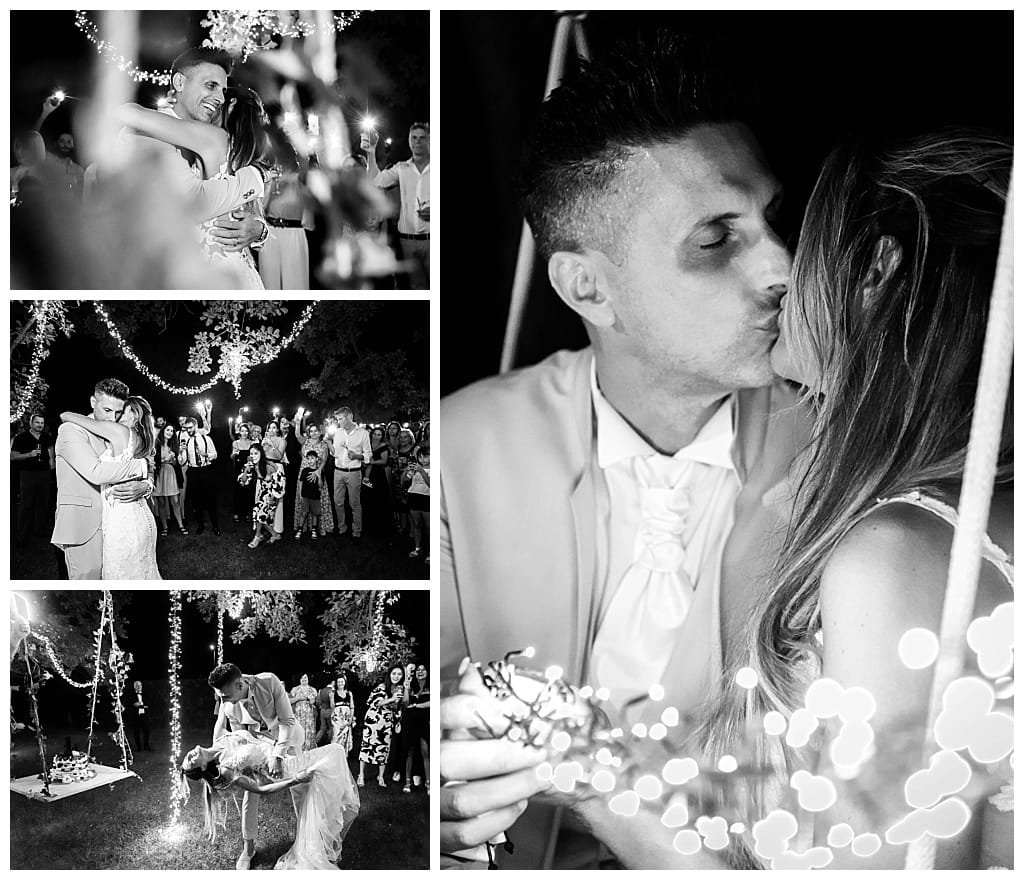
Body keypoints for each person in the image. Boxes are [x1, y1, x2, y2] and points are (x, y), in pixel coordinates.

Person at [439, 34, 803, 867]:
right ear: (588, 288)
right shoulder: (462, 452)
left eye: (774, 220)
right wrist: (441, 798)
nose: (783, 266)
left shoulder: (836, 460)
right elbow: (432, 716)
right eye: (715, 240)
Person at [113, 48, 273, 288]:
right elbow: (194, 202)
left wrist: (259, 230)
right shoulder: (141, 136)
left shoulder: (218, 138)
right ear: (179, 82)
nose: (220, 98)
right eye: (211, 86)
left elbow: (242, 212)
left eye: (222, 90)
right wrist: (258, 175)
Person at [181, 728, 359, 869]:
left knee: (327, 772)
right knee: (335, 751)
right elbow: (260, 789)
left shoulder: (219, 739)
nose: (188, 757)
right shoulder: (226, 769)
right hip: (285, 768)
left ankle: (322, 838)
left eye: (186, 758)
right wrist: (296, 780)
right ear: (202, 767)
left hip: (281, 756)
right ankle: (320, 842)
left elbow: (226, 709)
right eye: (190, 763)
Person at [51, 379, 153, 580]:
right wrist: (141, 467)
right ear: (92, 402)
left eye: (118, 412)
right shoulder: (71, 430)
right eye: (107, 410)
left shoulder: (116, 431)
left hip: (116, 522)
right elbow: (95, 472)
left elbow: (133, 464)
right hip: (85, 525)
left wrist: (146, 485)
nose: (112, 418)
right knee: (87, 583)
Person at [206, 663, 306, 869]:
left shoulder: (268, 681)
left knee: (301, 787)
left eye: (225, 696)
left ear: (239, 684)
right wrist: (244, 760)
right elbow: (241, 735)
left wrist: (278, 755)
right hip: (260, 744)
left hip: (288, 741)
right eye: (220, 697)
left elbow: (287, 721)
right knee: (250, 794)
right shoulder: (229, 706)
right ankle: (248, 848)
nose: (222, 702)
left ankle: (306, 840)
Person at [364, 123, 430, 286]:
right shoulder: (401, 168)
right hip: (407, 241)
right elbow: (376, 180)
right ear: (409, 141)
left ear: (429, 140)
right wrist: (371, 151)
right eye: (414, 138)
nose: (418, 141)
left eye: (422, 138)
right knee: (417, 287)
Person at [356, 664, 404, 788]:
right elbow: (376, 702)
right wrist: (391, 699)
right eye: (394, 673)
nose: (396, 676)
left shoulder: (400, 689)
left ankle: (381, 776)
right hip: (373, 720)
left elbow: (398, 706)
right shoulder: (382, 687)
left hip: (387, 722)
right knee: (367, 747)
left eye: (399, 674)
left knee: (384, 748)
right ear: (389, 675)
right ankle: (361, 775)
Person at [11, 412, 55, 546]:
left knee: (43, 504)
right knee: (26, 504)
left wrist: (52, 465)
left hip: (44, 474)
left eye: (42, 423)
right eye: (37, 422)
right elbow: (13, 456)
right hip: (28, 474)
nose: (40, 425)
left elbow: (50, 451)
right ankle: (22, 535)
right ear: (31, 423)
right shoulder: (21, 438)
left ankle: (39, 532)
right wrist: (29, 454)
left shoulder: (46, 437)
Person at [331, 407, 372, 539]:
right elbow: (335, 453)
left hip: (354, 472)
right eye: (337, 419)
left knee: (354, 503)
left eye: (340, 419)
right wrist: (328, 443)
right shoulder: (338, 433)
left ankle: (356, 531)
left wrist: (356, 456)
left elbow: (368, 455)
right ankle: (341, 527)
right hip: (338, 471)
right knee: (338, 502)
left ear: (349, 417)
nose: (338, 422)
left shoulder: (363, 433)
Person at [293, 418, 335, 538]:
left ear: (320, 432)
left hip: (317, 474)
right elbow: (297, 435)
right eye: (311, 431)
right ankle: (302, 527)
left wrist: (318, 472)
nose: (314, 433)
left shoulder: (324, 444)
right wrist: (298, 423)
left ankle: (317, 527)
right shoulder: (305, 442)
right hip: (304, 472)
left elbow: (324, 460)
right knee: (304, 498)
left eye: (316, 430)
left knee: (317, 499)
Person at [178, 417, 220, 535]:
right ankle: (200, 524)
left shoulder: (206, 438)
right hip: (193, 472)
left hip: (206, 470)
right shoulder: (186, 442)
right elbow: (182, 462)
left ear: (196, 426)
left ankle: (215, 526)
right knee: (196, 501)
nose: (188, 430)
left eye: (190, 428)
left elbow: (215, 454)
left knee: (211, 499)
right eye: (186, 428)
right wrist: (181, 452)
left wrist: (205, 454)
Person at [244, 444, 285, 548]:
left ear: (261, 454)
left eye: (256, 453)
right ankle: (275, 535)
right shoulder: (253, 465)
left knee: (260, 516)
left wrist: (273, 497)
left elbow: (280, 482)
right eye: (251, 454)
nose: (253, 456)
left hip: (271, 494)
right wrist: (246, 470)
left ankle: (257, 536)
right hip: (262, 493)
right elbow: (243, 481)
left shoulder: (269, 465)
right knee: (259, 516)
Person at [154, 423, 188, 536]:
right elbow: (153, 460)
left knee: (175, 500)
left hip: (170, 472)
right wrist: (163, 460)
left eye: (172, 431)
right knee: (161, 502)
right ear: (163, 431)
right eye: (168, 430)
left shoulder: (173, 445)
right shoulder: (156, 444)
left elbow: (177, 463)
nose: (170, 432)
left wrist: (176, 457)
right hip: (159, 474)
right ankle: (165, 527)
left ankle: (181, 525)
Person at [401, 663, 430, 794]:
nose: (420, 671)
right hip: (410, 722)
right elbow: (406, 703)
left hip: (424, 722)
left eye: (423, 669)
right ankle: (408, 782)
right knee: (410, 752)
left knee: (425, 751)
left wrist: (416, 706)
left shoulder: (431, 687)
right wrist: (406, 689)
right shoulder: (412, 687)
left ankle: (429, 782)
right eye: (418, 670)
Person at [403, 445, 430, 561]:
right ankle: (417, 548)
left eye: (426, 456)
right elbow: (404, 480)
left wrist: (422, 471)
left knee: (429, 527)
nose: (423, 460)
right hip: (414, 496)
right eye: (420, 457)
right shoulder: (416, 468)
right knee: (417, 524)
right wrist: (407, 471)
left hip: (427, 498)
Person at [294, 450, 323, 539]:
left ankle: (314, 530)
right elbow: (301, 482)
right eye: (308, 459)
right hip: (305, 496)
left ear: (317, 459)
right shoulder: (305, 470)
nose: (310, 461)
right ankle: (299, 530)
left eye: (312, 458)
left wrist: (319, 476)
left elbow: (321, 486)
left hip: (315, 496)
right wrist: (300, 494)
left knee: (315, 514)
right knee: (304, 513)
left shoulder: (319, 471)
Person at [230, 422, 255, 522]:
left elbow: (252, 457)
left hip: (248, 468)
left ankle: (248, 513)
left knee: (248, 491)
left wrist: (247, 470)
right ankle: (237, 512)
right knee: (238, 491)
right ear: (239, 432)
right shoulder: (235, 443)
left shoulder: (252, 443)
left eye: (246, 431)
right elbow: (231, 457)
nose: (244, 433)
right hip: (238, 469)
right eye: (242, 431)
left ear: (248, 432)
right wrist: (234, 454)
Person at [288, 673, 319, 751]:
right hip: (298, 713)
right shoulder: (295, 689)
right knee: (299, 730)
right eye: (302, 678)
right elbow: (289, 701)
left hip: (309, 713)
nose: (304, 679)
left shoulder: (312, 690)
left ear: (308, 679)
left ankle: (309, 749)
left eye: (305, 678)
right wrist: (297, 698)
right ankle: (298, 749)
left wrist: (311, 701)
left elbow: (315, 702)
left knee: (309, 730)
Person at [329, 673, 356, 755]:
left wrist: (351, 717)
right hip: (337, 717)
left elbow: (352, 706)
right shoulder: (333, 693)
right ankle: (335, 754)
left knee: (346, 735)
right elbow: (332, 706)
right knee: (336, 735)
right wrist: (331, 697)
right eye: (338, 682)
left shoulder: (349, 693)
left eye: (342, 682)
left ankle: (344, 755)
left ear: (345, 682)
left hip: (346, 717)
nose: (340, 684)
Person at [128, 680, 152, 752]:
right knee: (136, 732)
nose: (139, 687)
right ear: (134, 687)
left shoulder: (146, 694)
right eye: (137, 685)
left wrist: (142, 705)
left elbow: (148, 703)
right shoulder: (131, 695)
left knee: (146, 731)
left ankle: (146, 745)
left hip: (144, 715)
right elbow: (130, 704)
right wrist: (135, 705)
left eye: (140, 685)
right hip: (136, 716)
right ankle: (138, 747)